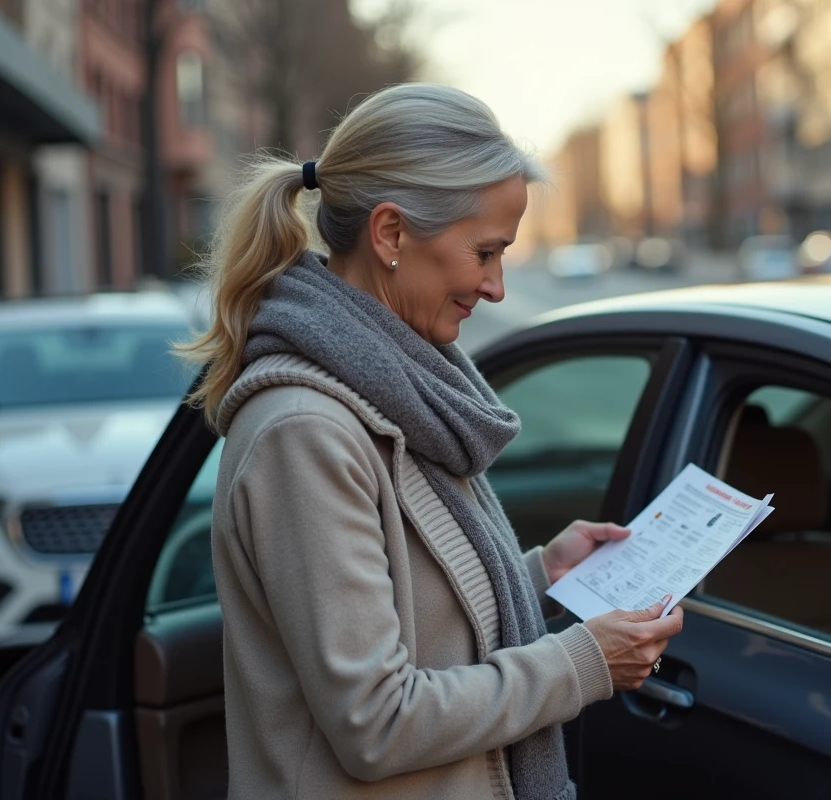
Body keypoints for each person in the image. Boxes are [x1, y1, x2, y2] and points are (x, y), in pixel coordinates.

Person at [177, 83, 683, 800]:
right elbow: (376, 721)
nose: (498, 286)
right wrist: (581, 662)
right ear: (390, 234)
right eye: (484, 252)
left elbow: (417, 620)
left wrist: (542, 576)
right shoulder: (306, 433)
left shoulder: (396, 389)